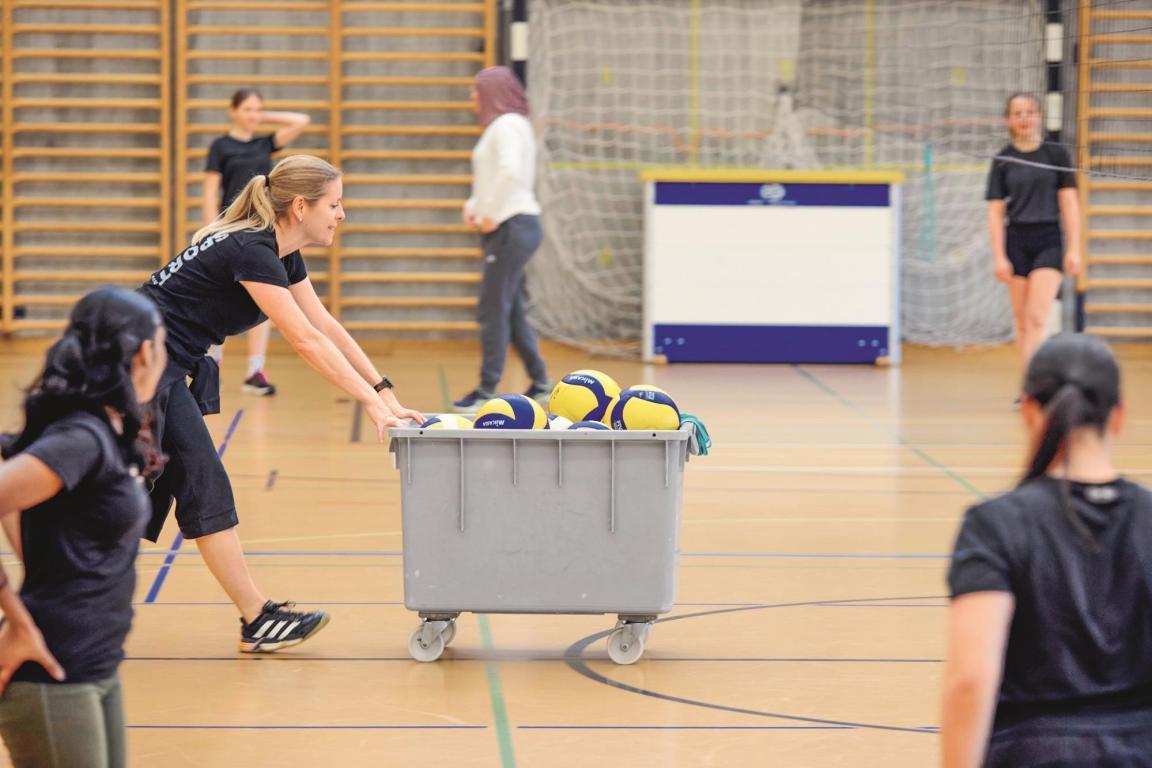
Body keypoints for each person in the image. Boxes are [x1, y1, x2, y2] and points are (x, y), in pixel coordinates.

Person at [140, 154, 422, 653]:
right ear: (299, 207)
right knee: (194, 484)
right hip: (134, 367)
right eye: (334, 204)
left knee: (179, 486)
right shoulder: (250, 250)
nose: (341, 214)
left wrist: (384, 393)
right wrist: (369, 405)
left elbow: (325, 326)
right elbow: (305, 342)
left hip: (156, 369)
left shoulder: (280, 253)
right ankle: (256, 619)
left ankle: (256, 618)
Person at [941, 333, 1152, 767]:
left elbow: (971, 678)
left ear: (1030, 410)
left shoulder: (995, 524)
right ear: (1118, 416)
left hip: (1031, 752)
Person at [0, 287, 168, 768]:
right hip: (54, 671)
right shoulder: (82, 439)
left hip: (97, 662)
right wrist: (16, 618)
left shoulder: (111, 426)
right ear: (142, 352)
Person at [452, 66, 551, 412]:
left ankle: (486, 390)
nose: (471, 97)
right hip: (515, 223)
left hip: (512, 225)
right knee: (510, 311)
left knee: (492, 309)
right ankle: (540, 382)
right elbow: (498, 175)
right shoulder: (511, 125)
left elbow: (510, 172)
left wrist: (489, 211)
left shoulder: (506, 125)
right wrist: (475, 205)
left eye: (475, 90)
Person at [204, 88, 311, 396]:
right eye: (247, 109)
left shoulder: (266, 143)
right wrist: (213, 225)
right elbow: (211, 189)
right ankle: (213, 366)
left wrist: (262, 116)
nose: (253, 115)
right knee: (218, 296)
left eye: (257, 110)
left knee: (267, 298)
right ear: (232, 110)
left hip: (263, 227)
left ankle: (255, 371)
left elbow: (301, 120)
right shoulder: (221, 146)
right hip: (230, 226)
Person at [986, 93, 1081, 391]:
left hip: (1048, 239)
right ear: (1009, 120)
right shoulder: (1003, 159)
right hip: (1016, 240)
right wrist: (999, 256)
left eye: (1030, 111)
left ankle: (1037, 388)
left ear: (1039, 116)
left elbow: (1069, 203)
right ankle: (1027, 388)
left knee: (1038, 317)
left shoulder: (1056, 155)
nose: (1024, 118)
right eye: (1018, 113)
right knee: (1022, 320)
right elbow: (995, 211)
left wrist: (1075, 247)